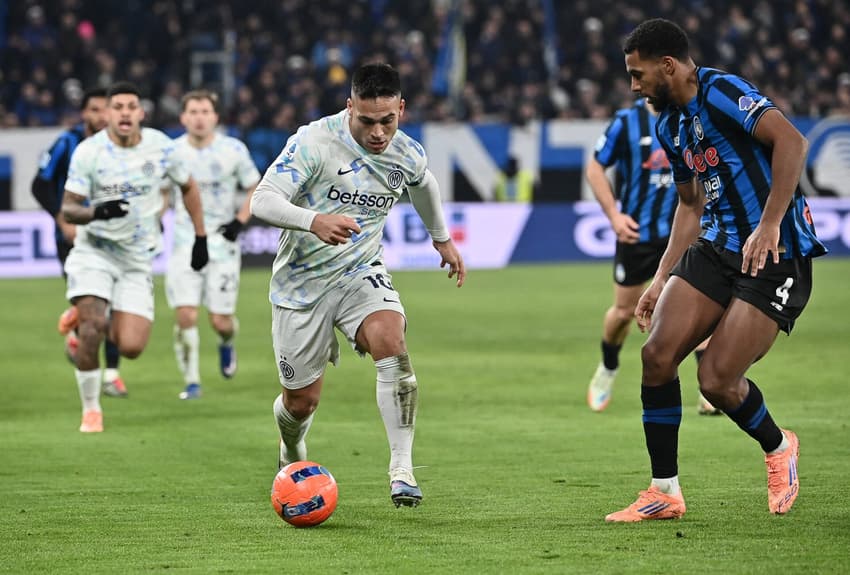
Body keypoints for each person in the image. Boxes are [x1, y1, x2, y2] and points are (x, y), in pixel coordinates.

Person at [604, 18, 826, 522]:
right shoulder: (669, 123)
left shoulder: (722, 90)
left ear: (668, 65)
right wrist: (661, 278)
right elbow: (690, 204)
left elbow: (791, 142)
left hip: (776, 251)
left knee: (717, 380)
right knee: (657, 355)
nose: (634, 85)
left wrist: (769, 224)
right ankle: (664, 492)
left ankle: (778, 446)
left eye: (638, 75)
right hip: (718, 246)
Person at [250, 63, 465, 507]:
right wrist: (314, 221)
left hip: (359, 271)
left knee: (391, 337)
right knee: (300, 404)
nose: (378, 133)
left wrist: (441, 238)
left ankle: (402, 470)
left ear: (401, 109)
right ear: (349, 107)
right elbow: (261, 200)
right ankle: (291, 450)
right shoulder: (314, 142)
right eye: (367, 121)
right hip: (301, 286)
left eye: (388, 120)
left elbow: (423, 184)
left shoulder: (405, 152)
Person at [61, 81, 208, 433]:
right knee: (95, 328)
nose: (125, 112)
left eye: (131, 106)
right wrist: (97, 212)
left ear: (141, 113)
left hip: (137, 259)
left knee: (131, 347)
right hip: (94, 251)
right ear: (108, 114)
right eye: (118, 107)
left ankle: (78, 320)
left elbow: (188, 186)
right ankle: (91, 409)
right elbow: (68, 209)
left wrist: (201, 236)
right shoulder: (88, 152)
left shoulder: (161, 148)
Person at [585, 97, 718, 415]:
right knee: (623, 312)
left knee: (697, 305)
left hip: (683, 233)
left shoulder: (690, 117)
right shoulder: (625, 121)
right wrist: (614, 217)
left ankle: (709, 388)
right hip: (637, 236)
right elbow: (595, 168)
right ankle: (608, 367)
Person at [31, 87, 128, 398]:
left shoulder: (123, 146)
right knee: (98, 307)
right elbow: (39, 184)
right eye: (95, 110)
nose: (101, 116)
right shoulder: (68, 142)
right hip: (72, 237)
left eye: (106, 110)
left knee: (115, 304)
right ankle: (85, 336)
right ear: (84, 113)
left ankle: (111, 373)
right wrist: (62, 220)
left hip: (114, 236)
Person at [165, 90, 261, 400]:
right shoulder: (171, 152)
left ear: (215, 117)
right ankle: (192, 382)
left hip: (222, 245)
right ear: (183, 118)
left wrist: (239, 220)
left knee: (219, 321)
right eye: (192, 111)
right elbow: (161, 192)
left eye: (205, 111)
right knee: (186, 316)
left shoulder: (233, 150)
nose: (199, 117)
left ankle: (226, 342)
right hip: (184, 242)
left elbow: (254, 187)